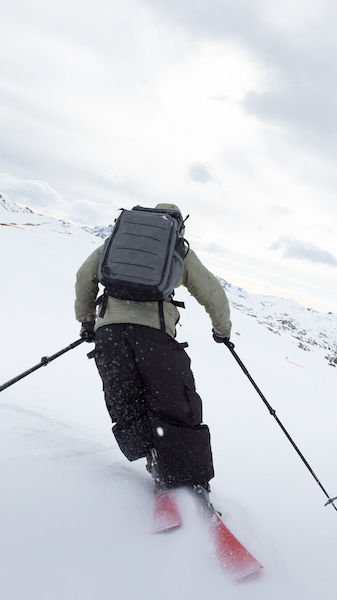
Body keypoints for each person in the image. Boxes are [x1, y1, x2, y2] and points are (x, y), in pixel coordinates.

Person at [74, 203, 231, 503]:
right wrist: (222, 331)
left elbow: (85, 276)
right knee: (175, 404)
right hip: (153, 338)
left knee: (126, 403)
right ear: (178, 225)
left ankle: (153, 459)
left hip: (110, 339)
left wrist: (87, 322)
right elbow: (213, 293)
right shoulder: (177, 250)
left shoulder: (116, 243)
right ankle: (189, 484)